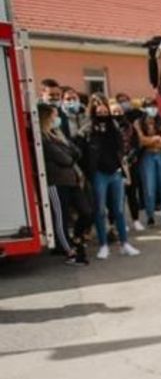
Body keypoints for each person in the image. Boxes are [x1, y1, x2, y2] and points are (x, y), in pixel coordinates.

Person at [82, 94, 140, 259]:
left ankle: (125, 244)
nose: (101, 108)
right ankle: (103, 245)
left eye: (103, 104)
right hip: (99, 174)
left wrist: (123, 167)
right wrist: (88, 171)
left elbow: (122, 147)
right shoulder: (88, 128)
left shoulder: (114, 125)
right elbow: (81, 150)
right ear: (92, 108)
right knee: (100, 211)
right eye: (96, 104)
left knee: (119, 211)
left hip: (115, 172)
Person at [38, 103, 92, 265]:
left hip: (72, 180)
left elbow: (76, 152)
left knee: (87, 212)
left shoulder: (57, 134)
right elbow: (66, 158)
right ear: (46, 117)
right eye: (54, 115)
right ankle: (69, 251)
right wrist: (69, 154)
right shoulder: (43, 138)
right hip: (56, 182)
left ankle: (76, 238)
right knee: (60, 218)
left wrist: (69, 152)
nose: (57, 118)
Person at [134, 98, 161, 227]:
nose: (153, 109)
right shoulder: (138, 123)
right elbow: (141, 140)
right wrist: (156, 138)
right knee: (149, 188)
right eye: (149, 106)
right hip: (146, 157)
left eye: (154, 106)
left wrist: (151, 140)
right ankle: (150, 216)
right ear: (144, 108)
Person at [110, 101, 144, 232]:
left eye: (119, 111)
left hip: (131, 164)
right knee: (118, 197)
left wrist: (130, 156)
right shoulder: (108, 128)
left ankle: (136, 220)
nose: (117, 114)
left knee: (132, 194)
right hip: (115, 166)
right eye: (114, 112)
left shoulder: (130, 127)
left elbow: (137, 144)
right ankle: (119, 223)